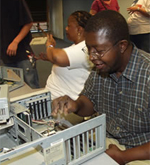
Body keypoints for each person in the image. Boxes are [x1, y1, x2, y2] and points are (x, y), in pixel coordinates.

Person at [52, 10, 150, 165]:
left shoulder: (147, 74)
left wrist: (123, 157)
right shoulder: (102, 67)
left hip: (141, 153)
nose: (92, 57)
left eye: (99, 50)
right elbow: (89, 101)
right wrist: (75, 104)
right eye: (89, 49)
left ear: (122, 46)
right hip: (105, 140)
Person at [37, 11, 93, 101]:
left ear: (79, 30)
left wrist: (50, 46)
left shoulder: (85, 48)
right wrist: (49, 58)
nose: (66, 28)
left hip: (63, 105)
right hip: (53, 99)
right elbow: (69, 62)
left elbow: (57, 57)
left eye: (69, 26)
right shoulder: (77, 46)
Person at [1, 0, 40, 89]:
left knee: (31, 87)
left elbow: (28, 23)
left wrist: (15, 42)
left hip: (22, 53)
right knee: (13, 89)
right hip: (5, 56)